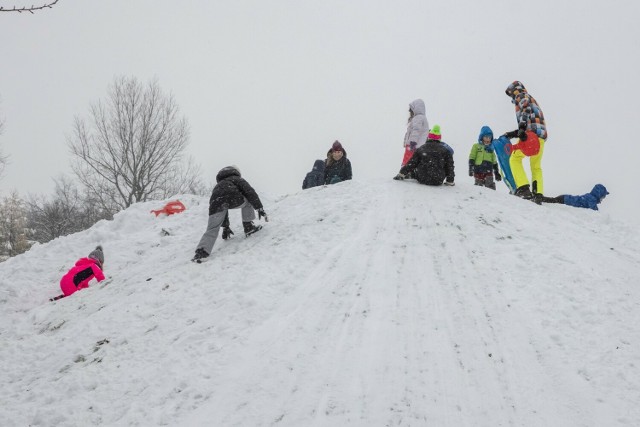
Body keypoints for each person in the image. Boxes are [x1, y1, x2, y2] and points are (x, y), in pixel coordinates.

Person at [192, 166, 268, 263]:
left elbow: (223, 206)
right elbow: (250, 192)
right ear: (236, 172)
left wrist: (225, 227)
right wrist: (259, 208)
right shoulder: (236, 179)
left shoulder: (218, 186)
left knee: (212, 228)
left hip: (216, 203)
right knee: (248, 201)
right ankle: (249, 227)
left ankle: (201, 252)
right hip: (234, 198)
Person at [504, 81, 547, 202]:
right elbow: (531, 118)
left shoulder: (521, 96)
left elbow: (525, 109)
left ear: (514, 90)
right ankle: (538, 194)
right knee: (536, 166)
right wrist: (512, 134)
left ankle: (523, 189)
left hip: (530, 136)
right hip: (540, 137)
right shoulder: (533, 100)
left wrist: (522, 128)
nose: (512, 96)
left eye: (511, 93)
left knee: (514, 159)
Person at [401, 99, 430, 166]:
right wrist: (405, 141)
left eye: (411, 109)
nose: (409, 111)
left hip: (413, 145)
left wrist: (413, 142)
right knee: (413, 161)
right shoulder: (422, 118)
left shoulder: (418, 118)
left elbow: (416, 130)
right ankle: (409, 172)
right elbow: (409, 132)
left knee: (407, 162)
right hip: (417, 145)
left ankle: (404, 173)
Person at [541, 184, 609, 210]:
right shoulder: (591, 199)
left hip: (565, 198)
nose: (603, 199)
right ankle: (539, 198)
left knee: (553, 200)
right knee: (552, 201)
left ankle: (540, 198)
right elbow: (595, 212)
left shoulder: (590, 197)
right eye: (603, 197)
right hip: (565, 200)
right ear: (599, 194)